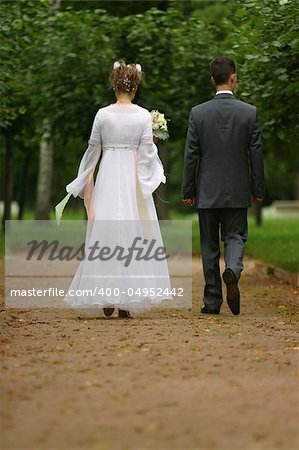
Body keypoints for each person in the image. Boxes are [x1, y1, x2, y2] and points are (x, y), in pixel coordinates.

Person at [55, 59, 172, 318]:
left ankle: (106, 291)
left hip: (109, 174)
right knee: (132, 232)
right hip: (130, 178)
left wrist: (81, 179)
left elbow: (93, 151)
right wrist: (149, 179)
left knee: (105, 232)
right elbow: (146, 154)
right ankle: (126, 300)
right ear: (135, 87)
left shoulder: (102, 115)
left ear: (114, 85)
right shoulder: (143, 115)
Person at [181, 56, 264, 315]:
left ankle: (213, 301)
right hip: (238, 190)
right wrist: (257, 188)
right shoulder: (249, 113)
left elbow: (191, 155)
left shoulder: (198, 113)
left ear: (212, 80)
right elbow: (256, 154)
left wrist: (188, 189)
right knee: (236, 236)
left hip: (206, 191)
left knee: (208, 245)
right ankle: (233, 269)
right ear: (233, 77)